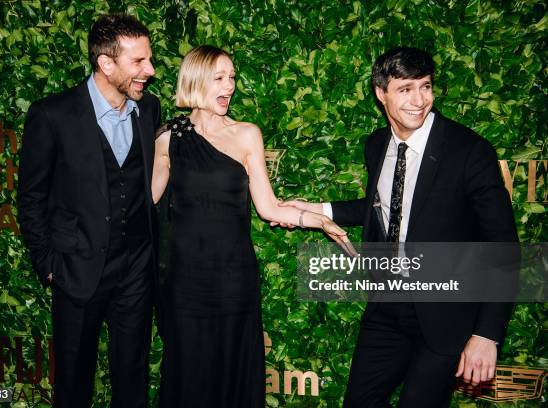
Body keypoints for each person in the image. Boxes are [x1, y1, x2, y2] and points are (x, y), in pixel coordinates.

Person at [280, 47, 518, 407]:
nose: (419, 100)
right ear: (381, 93)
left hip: (445, 314)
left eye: (425, 86)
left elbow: (503, 245)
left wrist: (487, 334)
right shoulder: (377, 145)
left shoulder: (469, 151)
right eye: (405, 89)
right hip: (387, 307)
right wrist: (319, 209)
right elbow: (384, 207)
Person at [151, 45, 352, 407]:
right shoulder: (169, 138)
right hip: (185, 281)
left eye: (232, 77)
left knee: (233, 370)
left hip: (233, 278)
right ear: (196, 81)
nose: (229, 86)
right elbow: (144, 204)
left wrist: (320, 220)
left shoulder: (246, 135)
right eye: (219, 78)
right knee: (188, 373)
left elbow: (269, 207)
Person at [18, 14, 160, 408]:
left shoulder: (149, 110)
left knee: (132, 378)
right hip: (77, 269)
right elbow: (31, 197)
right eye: (139, 62)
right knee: (74, 381)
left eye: (149, 59)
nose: (149, 70)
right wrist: (48, 262)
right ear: (105, 64)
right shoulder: (53, 115)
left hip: (136, 269)